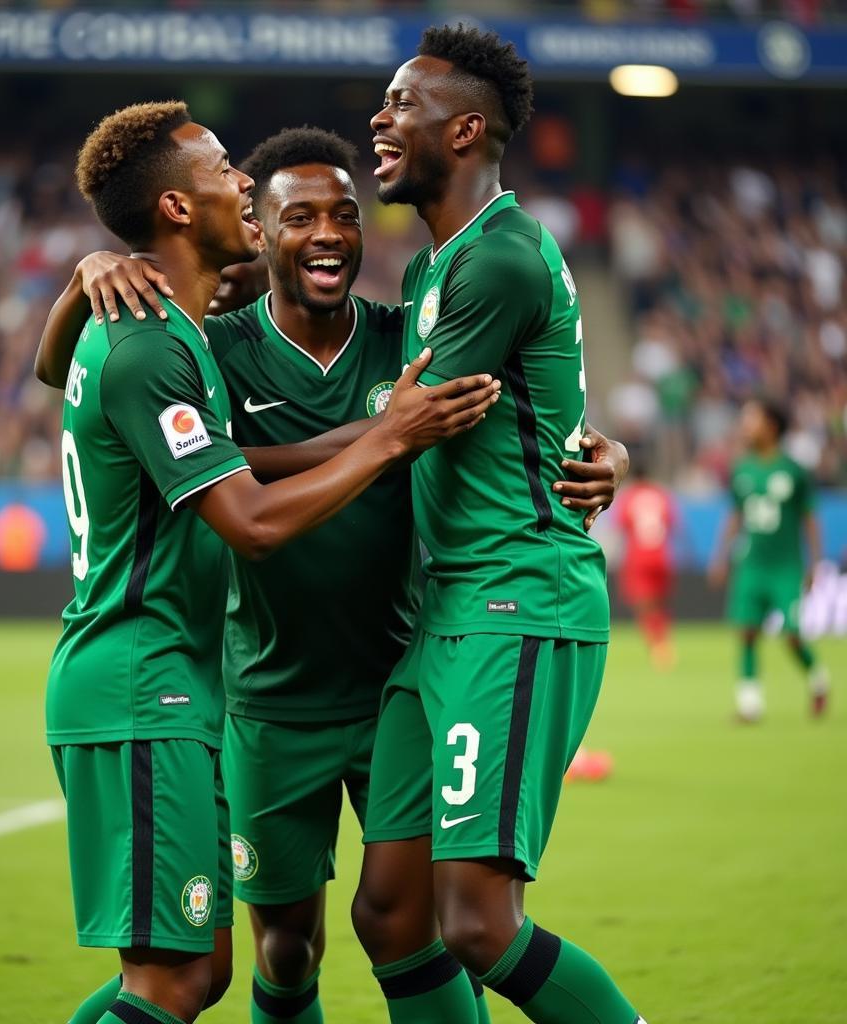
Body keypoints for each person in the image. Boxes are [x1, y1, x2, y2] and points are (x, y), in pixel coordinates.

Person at [37, 125, 629, 1024]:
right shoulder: (207, 346)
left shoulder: (408, 344)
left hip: (399, 675)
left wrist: (605, 452)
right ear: (262, 234)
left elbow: (524, 401)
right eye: (297, 214)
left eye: (345, 217)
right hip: (262, 694)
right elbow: (208, 473)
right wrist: (89, 273)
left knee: (410, 926)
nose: (327, 234)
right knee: (270, 949)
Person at [351, 25, 647, 1024]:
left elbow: (396, 436)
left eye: (402, 104)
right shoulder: (438, 269)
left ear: (465, 129)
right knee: (391, 910)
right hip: (445, 613)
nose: (379, 120)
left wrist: (225, 470)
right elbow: (540, 415)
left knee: (477, 921)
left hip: (515, 602)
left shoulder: (500, 260)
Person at [709, 397, 829, 722]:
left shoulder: (794, 471)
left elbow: (810, 519)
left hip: (786, 565)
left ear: (771, 426)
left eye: (752, 418)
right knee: (747, 631)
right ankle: (750, 705)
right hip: (751, 563)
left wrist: (816, 563)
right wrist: (720, 556)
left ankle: (818, 679)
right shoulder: (742, 469)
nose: (746, 425)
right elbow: (736, 514)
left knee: (791, 633)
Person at [614, 454, 679, 669]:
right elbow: (672, 525)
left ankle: (658, 648)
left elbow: (621, 527)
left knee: (643, 605)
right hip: (661, 556)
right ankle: (664, 641)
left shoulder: (629, 497)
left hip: (639, 557)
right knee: (660, 602)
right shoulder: (661, 495)